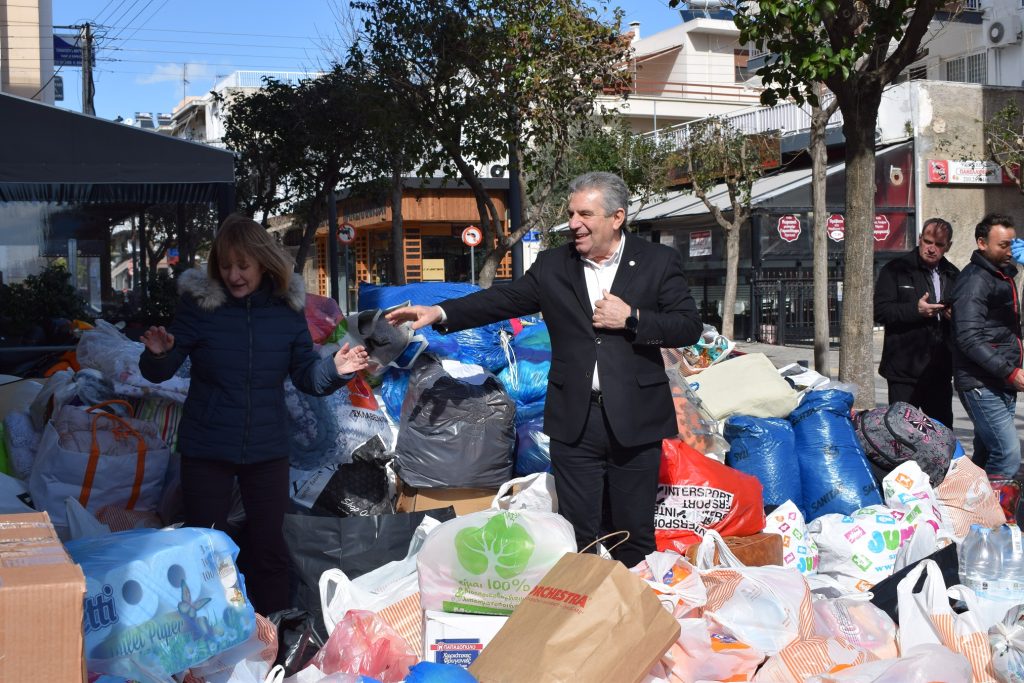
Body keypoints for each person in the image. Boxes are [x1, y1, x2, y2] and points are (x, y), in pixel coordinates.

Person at [385, 172, 702, 568]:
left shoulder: (657, 261)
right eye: (571, 213)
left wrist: (632, 317)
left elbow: (688, 326)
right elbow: (503, 299)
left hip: (636, 418)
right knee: (577, 534)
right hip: (576, 419)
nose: (574, 223)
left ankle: (633, 616)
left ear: (617, 217)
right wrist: (440, 311)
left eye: (585, 214)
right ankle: (583, 616)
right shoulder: (555, 265)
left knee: (634, 535)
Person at [139, 214, 368, 615]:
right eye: (225, 265)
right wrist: (157, 355)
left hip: (267, 448)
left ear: (263, 262)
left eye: (242, 265)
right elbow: (163, 369)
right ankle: (210, 635)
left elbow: (306, 376)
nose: (233, 275)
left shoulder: (286, 309)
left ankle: (274, 633)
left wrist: (335, 369)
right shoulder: (200, 306)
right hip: (207, 444)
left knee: (270, 548)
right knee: (206, 547)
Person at [950, 212, 1023, 480]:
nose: (1010, 251)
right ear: (982, 243)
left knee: (984, 456)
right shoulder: (975, 280)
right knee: (1007, 454)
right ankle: (994, 520)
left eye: (1012, 244)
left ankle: (967, 514)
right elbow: (968, 337)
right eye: (1003, 245)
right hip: (982, 382)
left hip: (1000, 380)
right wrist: (1009, 371)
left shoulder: (1002, 275)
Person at [874, 217, 959, 427]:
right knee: (901, 434)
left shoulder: (954, 274)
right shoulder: (896, 270)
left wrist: (954, 316)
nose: (932, 249)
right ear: (920, 238)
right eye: (928, 241)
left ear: (947, 247)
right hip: (903, 372)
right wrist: (916, 310)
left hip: (939, 372)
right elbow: (880, 311)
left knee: (941, 435)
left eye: (939, 245)